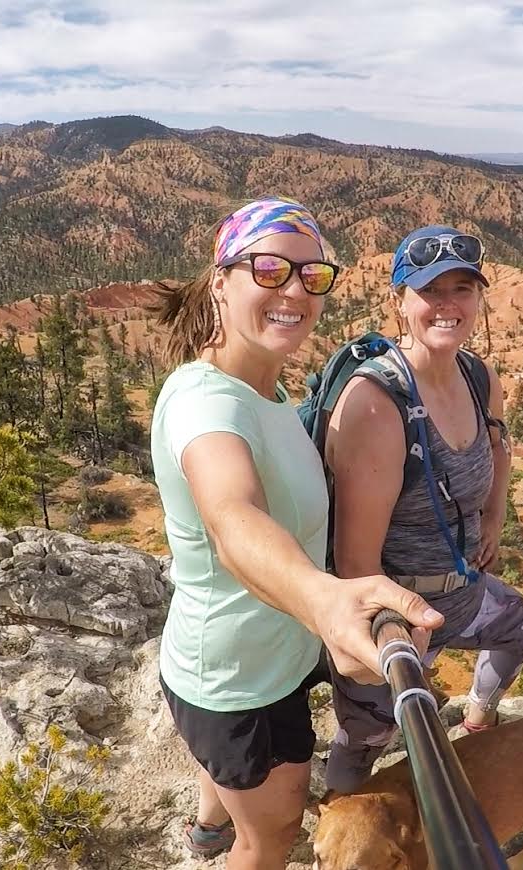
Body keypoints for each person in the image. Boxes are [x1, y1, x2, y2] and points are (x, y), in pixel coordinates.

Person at [150, 198, 444, 869]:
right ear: (221, 281)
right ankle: (228, 835)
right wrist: (322, 600)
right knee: (275, 832)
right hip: (235, 681)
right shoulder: (207, 404)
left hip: (263, 655)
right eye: (272, 269)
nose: (295, 291)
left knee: (242, 792)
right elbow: (233, 519)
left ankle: (207, 826)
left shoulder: (262, 386)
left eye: (312, 277)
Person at [322, 225, 523, 793]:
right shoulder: (379, 402)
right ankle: (341, 823)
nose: (448, 305)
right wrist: (396, 641)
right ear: (399, 302)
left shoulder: (477, 376)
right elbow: (355, 565)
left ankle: (477, 716)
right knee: (364, 738)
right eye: (430, 290)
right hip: (395, 615)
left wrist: (493, 518)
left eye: (462, 289)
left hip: (464, 593)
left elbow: (497, 446)